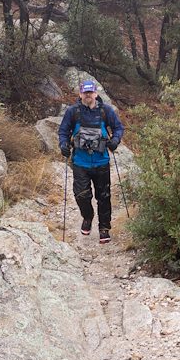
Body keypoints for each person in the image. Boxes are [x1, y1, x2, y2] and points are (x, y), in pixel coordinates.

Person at [58, 80, 125, 244]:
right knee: (81, 195)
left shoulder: (106, 111)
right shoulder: (72, 112)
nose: (88, 96)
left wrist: (115, 140)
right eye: (85, 93)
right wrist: (63, 144)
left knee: (104, 197)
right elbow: (63, 131)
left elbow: (118, 128)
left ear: (95, 93)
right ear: (80, 94)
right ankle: (87, 217)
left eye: (90, 92)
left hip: (101, 161)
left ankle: (104, 228)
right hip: (80, 162)